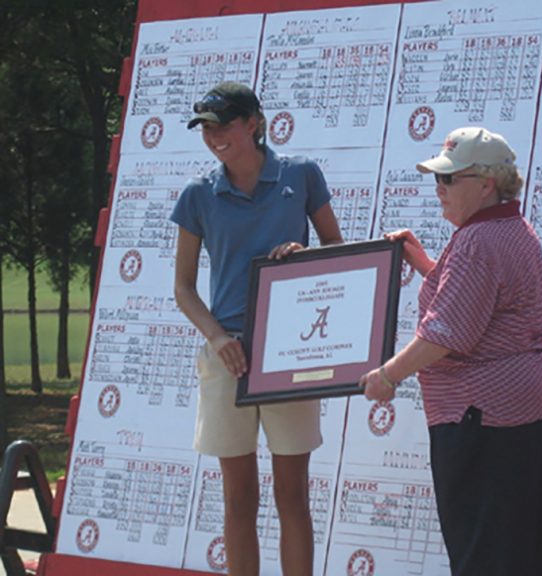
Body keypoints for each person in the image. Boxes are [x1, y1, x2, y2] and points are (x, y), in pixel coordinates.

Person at [359, 126, 542, 576]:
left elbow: (447, 332)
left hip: (483, 416)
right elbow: (479, 302)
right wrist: (426, 265)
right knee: (520, 545)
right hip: (522, 406)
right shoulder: (511, 226)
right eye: (438, 177)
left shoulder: (477, 240)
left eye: (449, 179)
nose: (439, 188)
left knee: (482, 551)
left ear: (486, 183)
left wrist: (387, 375)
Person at [171, 81, 343, 576]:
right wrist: (218, 338)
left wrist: (306, 255)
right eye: (206, 128)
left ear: (254, 123)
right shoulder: (197, 195)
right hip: (228, 355)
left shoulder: (302, 174)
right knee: (238, 499)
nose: (214, 136)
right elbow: (183, 288)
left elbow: (337, 248)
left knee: (293, 495)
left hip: (292, 351)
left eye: (224, 125)